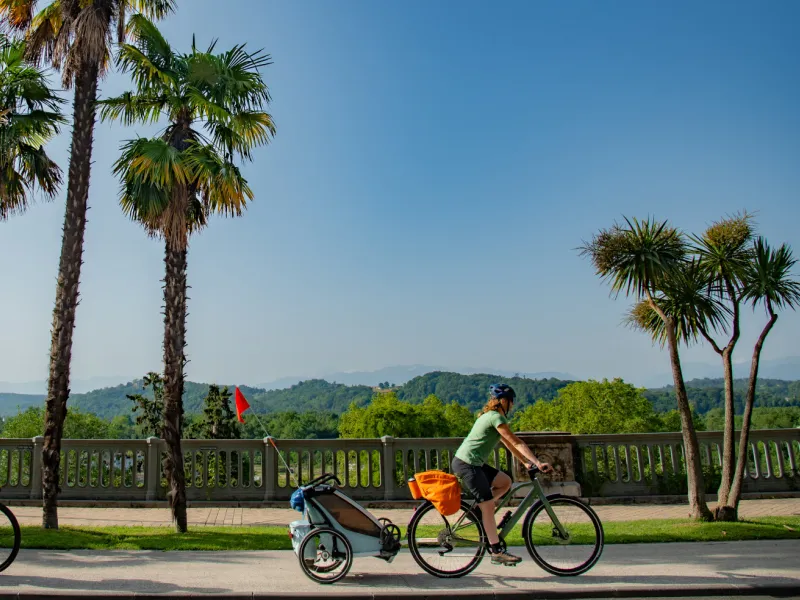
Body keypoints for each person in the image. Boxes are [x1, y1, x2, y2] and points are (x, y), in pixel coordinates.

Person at [451, 383, 553, 566]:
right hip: (467, 465)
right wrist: (537, 462)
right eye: (511, 402)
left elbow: (509, 444)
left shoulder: (491, 416)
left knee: (505, 482)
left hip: (472, 463)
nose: (512, 405)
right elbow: (517, 442)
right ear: (504, 401)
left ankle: (479, 511)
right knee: (489, 506)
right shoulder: (495, 417)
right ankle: (496, 551)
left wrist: (525, 463)